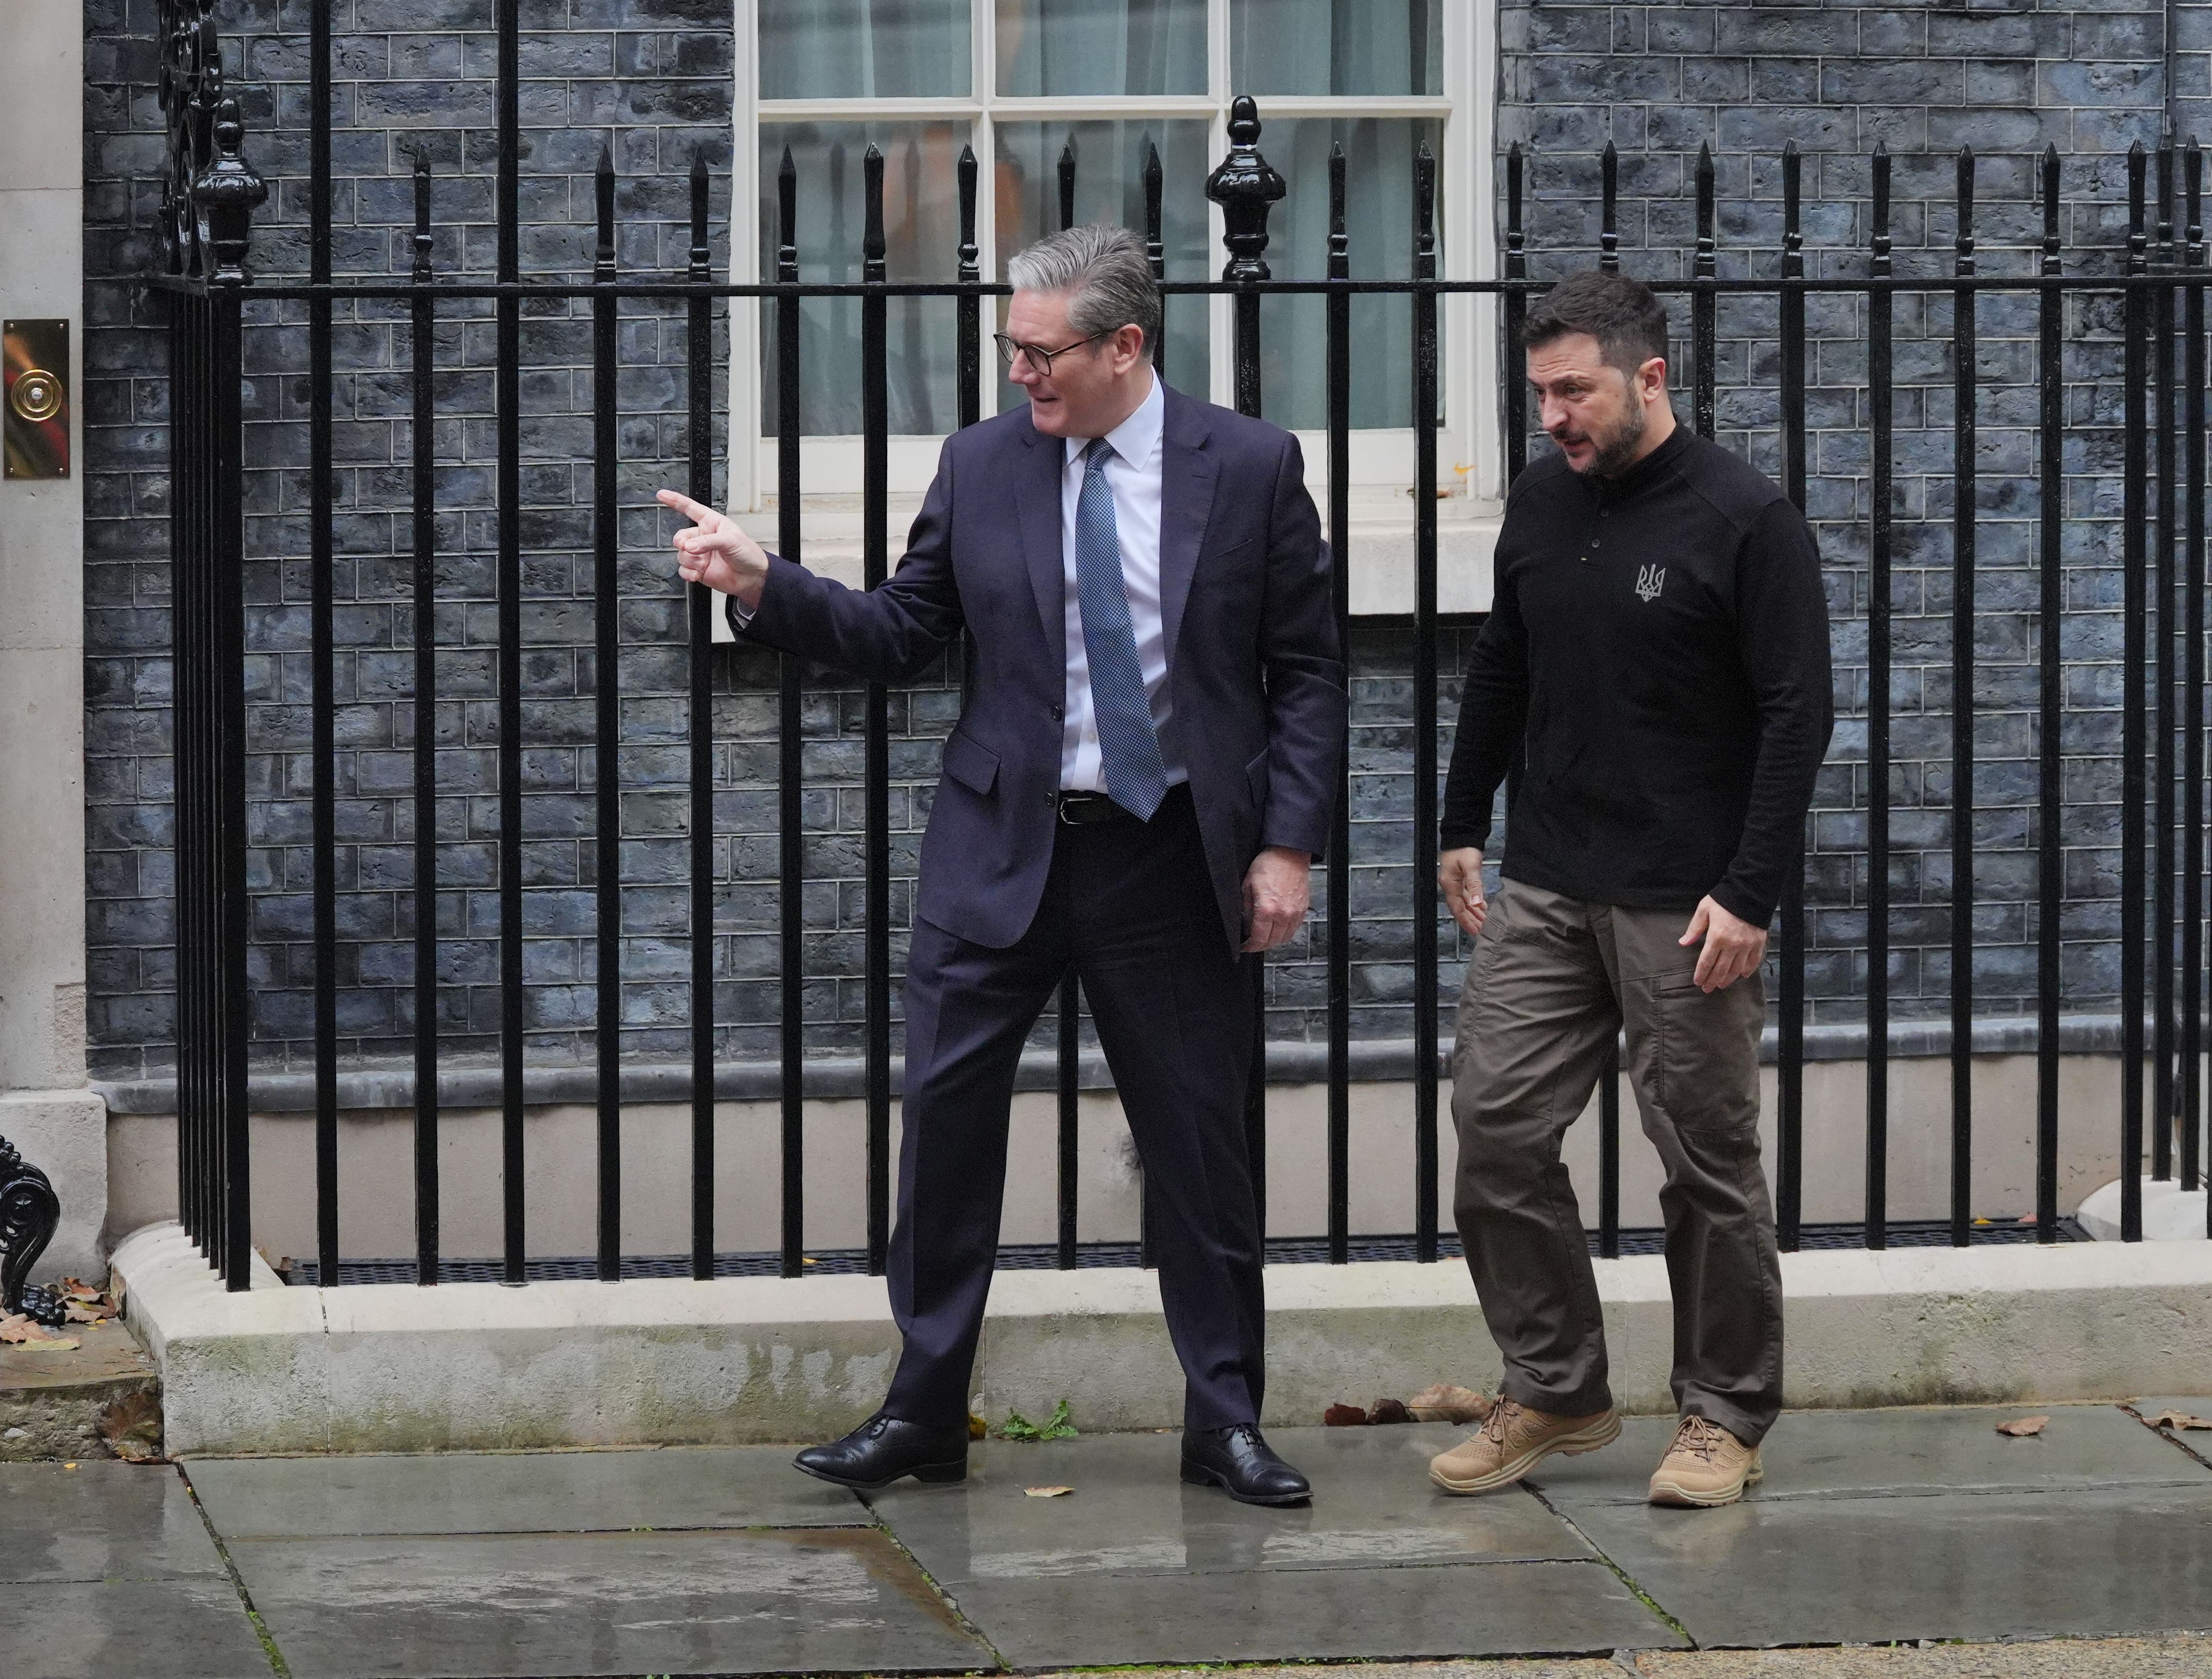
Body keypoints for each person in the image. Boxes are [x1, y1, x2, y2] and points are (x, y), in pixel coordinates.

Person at [660, 224, 1343, 1506]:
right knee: (948, 1141)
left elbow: (1303, 673)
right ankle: (922, 1413)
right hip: (1002, 851)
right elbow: (907, 629)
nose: (1019, 375)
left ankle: (1225, 1418)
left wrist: (1288, 845)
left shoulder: (1249, 467)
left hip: (1170, 858)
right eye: (1010, 351)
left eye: (1042, 354)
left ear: (1125, 347)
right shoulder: (982, 463)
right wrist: (765, 583)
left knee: (1200, 1150)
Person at [1426, 270, 1833, 1508]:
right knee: (1496, 1128)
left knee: (1704, 1158)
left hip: (1688, 900)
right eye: (1539, 391)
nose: (1552, 414)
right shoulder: (1544, 505)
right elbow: (1504, 662)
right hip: (1550, 880)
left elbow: (1796, 711)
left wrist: (1750, 893)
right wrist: (1460, 822)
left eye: (1574, 390)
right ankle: (1556, 1387)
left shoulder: (1744, 519)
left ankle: (1722, 1414)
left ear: (1648, 377)